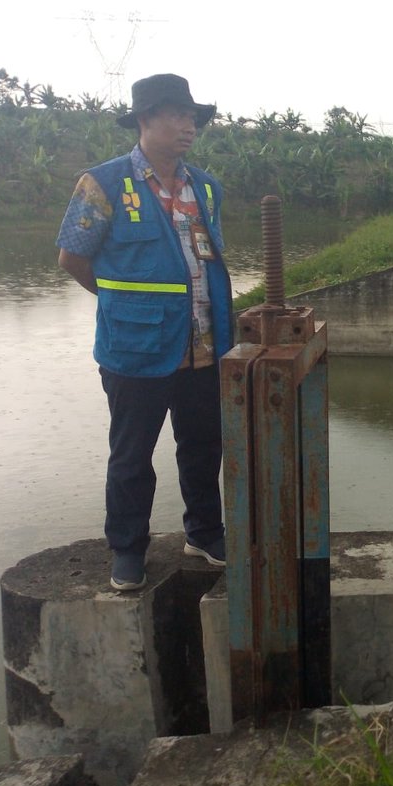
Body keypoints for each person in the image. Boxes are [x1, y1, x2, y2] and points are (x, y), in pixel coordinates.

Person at [56, 73, 233, 592]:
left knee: (203, 447)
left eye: (193, 117)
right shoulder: (103, 184)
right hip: (136, 349)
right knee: (132, 456)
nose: (189, 126)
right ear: (145, 119)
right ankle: (128, 549)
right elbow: (72, 259)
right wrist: (123, 307)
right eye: (178, 115)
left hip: (203, 346)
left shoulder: (206, 187)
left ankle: (204, 533)